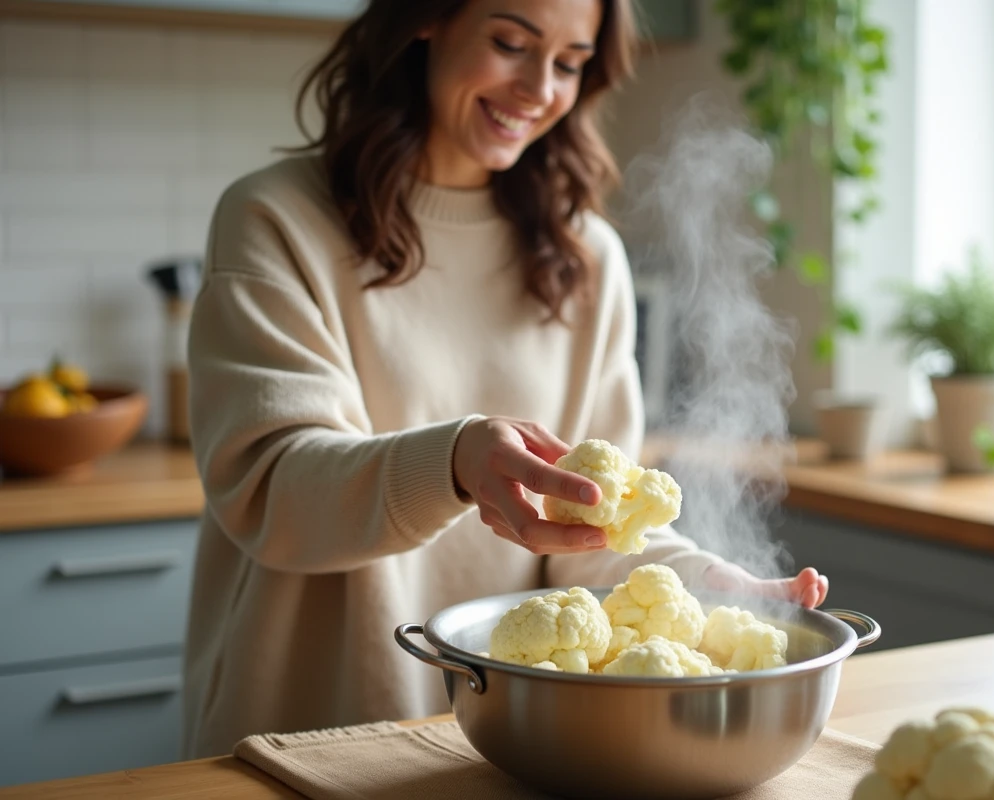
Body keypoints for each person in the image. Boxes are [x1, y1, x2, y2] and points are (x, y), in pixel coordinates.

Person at [180, 0, 830, 759]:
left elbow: (594, 534)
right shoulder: (278, 219)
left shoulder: (587, 258)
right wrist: (454, 462)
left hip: (497, 746)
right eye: (511, 43)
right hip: (301, 729)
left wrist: (705, 584)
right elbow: (270, 492)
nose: (538, 89)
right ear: (425, 20)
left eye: (568, 62)